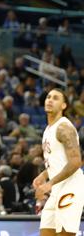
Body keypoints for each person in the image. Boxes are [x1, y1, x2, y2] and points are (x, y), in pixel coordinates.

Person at [33, 88, 84, 235]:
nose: (50, 100)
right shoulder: (48, 129)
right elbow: (58, 161)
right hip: (56, 189)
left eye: (55, 98)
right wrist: (43, 176)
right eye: (48, 97)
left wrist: (49, 183)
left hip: (71, 187)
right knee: (46, 232)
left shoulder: (64, 127)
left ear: (64, 105)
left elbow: (75, 162)